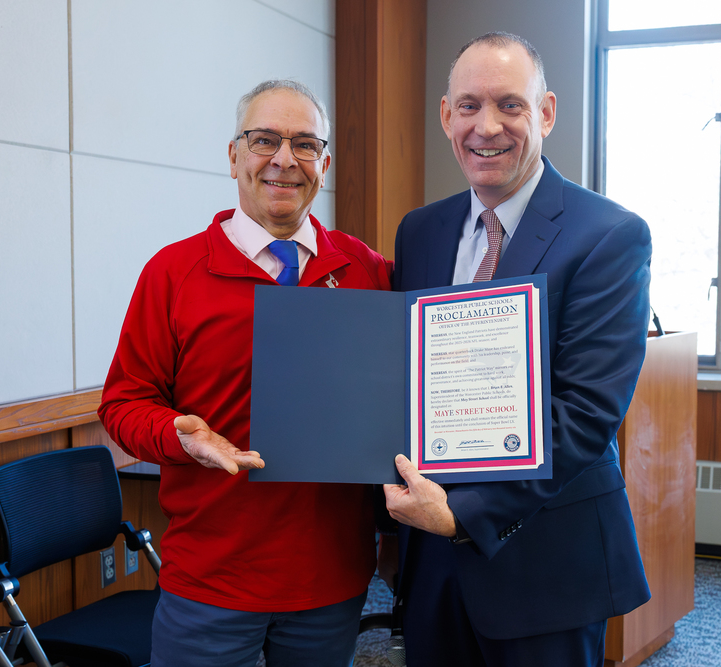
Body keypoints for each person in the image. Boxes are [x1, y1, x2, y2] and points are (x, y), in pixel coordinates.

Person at [98, 79, 392, 667]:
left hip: (330, 579)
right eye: (264, 140)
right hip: (211, 581)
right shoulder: (173, 272)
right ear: (234, 155)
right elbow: (122, 405)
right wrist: (178, 435)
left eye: (305, 144)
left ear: (324, 165)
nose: (284, 159)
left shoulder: (367, 270)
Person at [384, 33, 652, 666]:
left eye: (510, 105)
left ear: (546, 113)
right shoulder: (420, 231)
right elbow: (406, 380)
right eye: (469, 105)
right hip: (431, 562)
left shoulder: (609, 234)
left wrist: (464, 513)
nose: (487, 127)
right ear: (446, 116)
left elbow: (586, 411)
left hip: (546, 562)